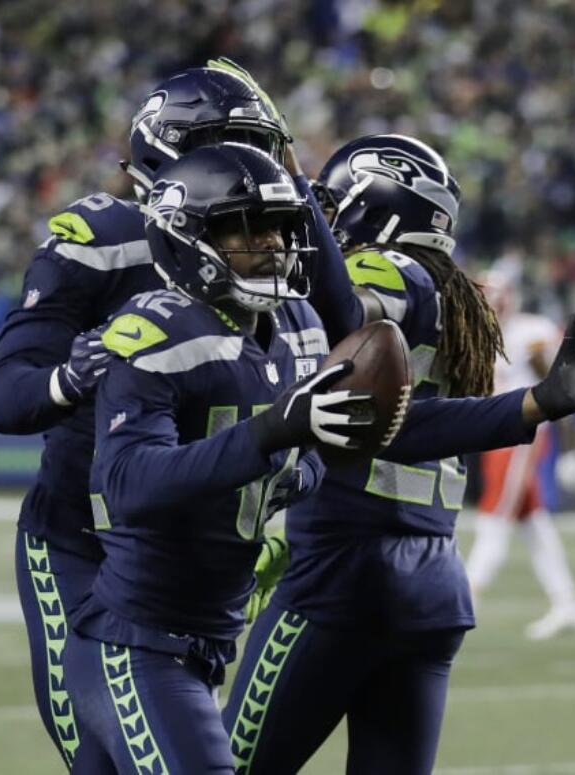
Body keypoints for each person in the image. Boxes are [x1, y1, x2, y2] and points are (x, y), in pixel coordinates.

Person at [221, 134, 575, 774]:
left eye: (329, 204)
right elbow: (415, 420)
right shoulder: (457, 299)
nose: (315, 218)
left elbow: (350, 315)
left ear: (372, 205)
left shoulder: (392, 271)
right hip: (430, 582)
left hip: (343, 571)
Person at [0, 58, 292, 768]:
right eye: (231, 141)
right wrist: (68, 379)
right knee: (98, 757)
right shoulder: (106, 238)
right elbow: (4, 397)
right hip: (80, 539)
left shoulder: (266, 249)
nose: (260, 164)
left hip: (179, 559)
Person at [64, 143, 365, 773]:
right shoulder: (155, 330)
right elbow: (128, 483)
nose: (275, 246)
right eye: (248, 228)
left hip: (205, 644)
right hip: (135, 643)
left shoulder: (300, 327)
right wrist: (269, 435)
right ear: (189, 237)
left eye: (282, 229)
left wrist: (529, 407)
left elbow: (303, 463)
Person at [464, 271, 575, 640]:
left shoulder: (527, 332)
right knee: (534, 524)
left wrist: (570, 449)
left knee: (494, 516)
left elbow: (556, 389)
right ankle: (567, 602)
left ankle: (468, 595)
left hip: (520, 436)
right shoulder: (483, 337)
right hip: (496, 436)